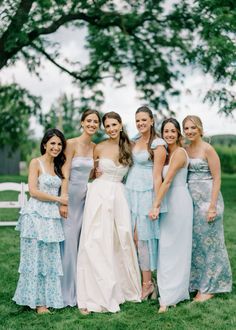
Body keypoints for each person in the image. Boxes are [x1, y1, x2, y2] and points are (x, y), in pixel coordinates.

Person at [77, 111, 141, 314]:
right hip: (98, 193)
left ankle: (122, 286)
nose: (111, 129)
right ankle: (95, 291)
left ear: (121, 124)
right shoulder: (99, 147)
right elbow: (90, 172)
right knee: (95, 240)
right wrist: (93, 173)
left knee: (120, 239)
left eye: (114, 125)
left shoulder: (131, 146)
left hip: (119, 196)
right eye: (108, 126)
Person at [13, 128, 67, 314]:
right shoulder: (36, 163)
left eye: (59, 144)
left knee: (49, 257)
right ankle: (37, 302)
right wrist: (59, 200)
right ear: (44, 144)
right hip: (35, 215)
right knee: (34, 258)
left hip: (51, 217)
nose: (56, 147)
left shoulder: (59, 166)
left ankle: (48, 298)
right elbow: (33, 191)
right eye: (52, 143)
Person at [182, 115, 232, 302]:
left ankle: (211, 286)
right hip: (191, 202)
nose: (189, 131)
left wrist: (212, 207)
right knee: (196, 244)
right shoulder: (185, 150)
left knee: (211, 244)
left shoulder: (208, 149)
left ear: (200, 129)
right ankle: (196, 283)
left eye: (193, 128)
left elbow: (217, 178)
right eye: (186, 128)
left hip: (208, 201)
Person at [149, 118, 193, 313]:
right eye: (166, 131)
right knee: (166, 247)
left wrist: (156, 205)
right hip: (168, 201)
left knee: (176, 248)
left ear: (178, 134)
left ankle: (170, 296)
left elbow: (167, 182)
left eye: (173, 131)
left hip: (179, 202)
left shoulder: (180, 154)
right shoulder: (165, 153)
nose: (169, 135)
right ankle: (168, 291)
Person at [59, 109, 101, 307]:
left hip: (86, 198)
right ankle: (65, 292)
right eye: (89, 121)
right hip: (70, 197)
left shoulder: (95, 147)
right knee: (68, 243)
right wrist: (64, 201)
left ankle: (82, 287)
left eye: (95, 122)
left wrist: (98, 174)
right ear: (82, 123)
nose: (92, 124)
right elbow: (65, 173)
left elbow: (91, 174)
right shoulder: (71, 143)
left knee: (81, 243)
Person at [125, 106, 167, 300]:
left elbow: (157, 175)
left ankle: (148, 284)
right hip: (130, 191)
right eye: (137, 120)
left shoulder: (157, 144)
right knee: (132, 237)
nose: (140, 123)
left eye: (144, 120)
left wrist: (156, 203)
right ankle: (138, 279)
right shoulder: (134, 141)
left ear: (152, 120)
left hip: (146, 193)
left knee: (142, 237)